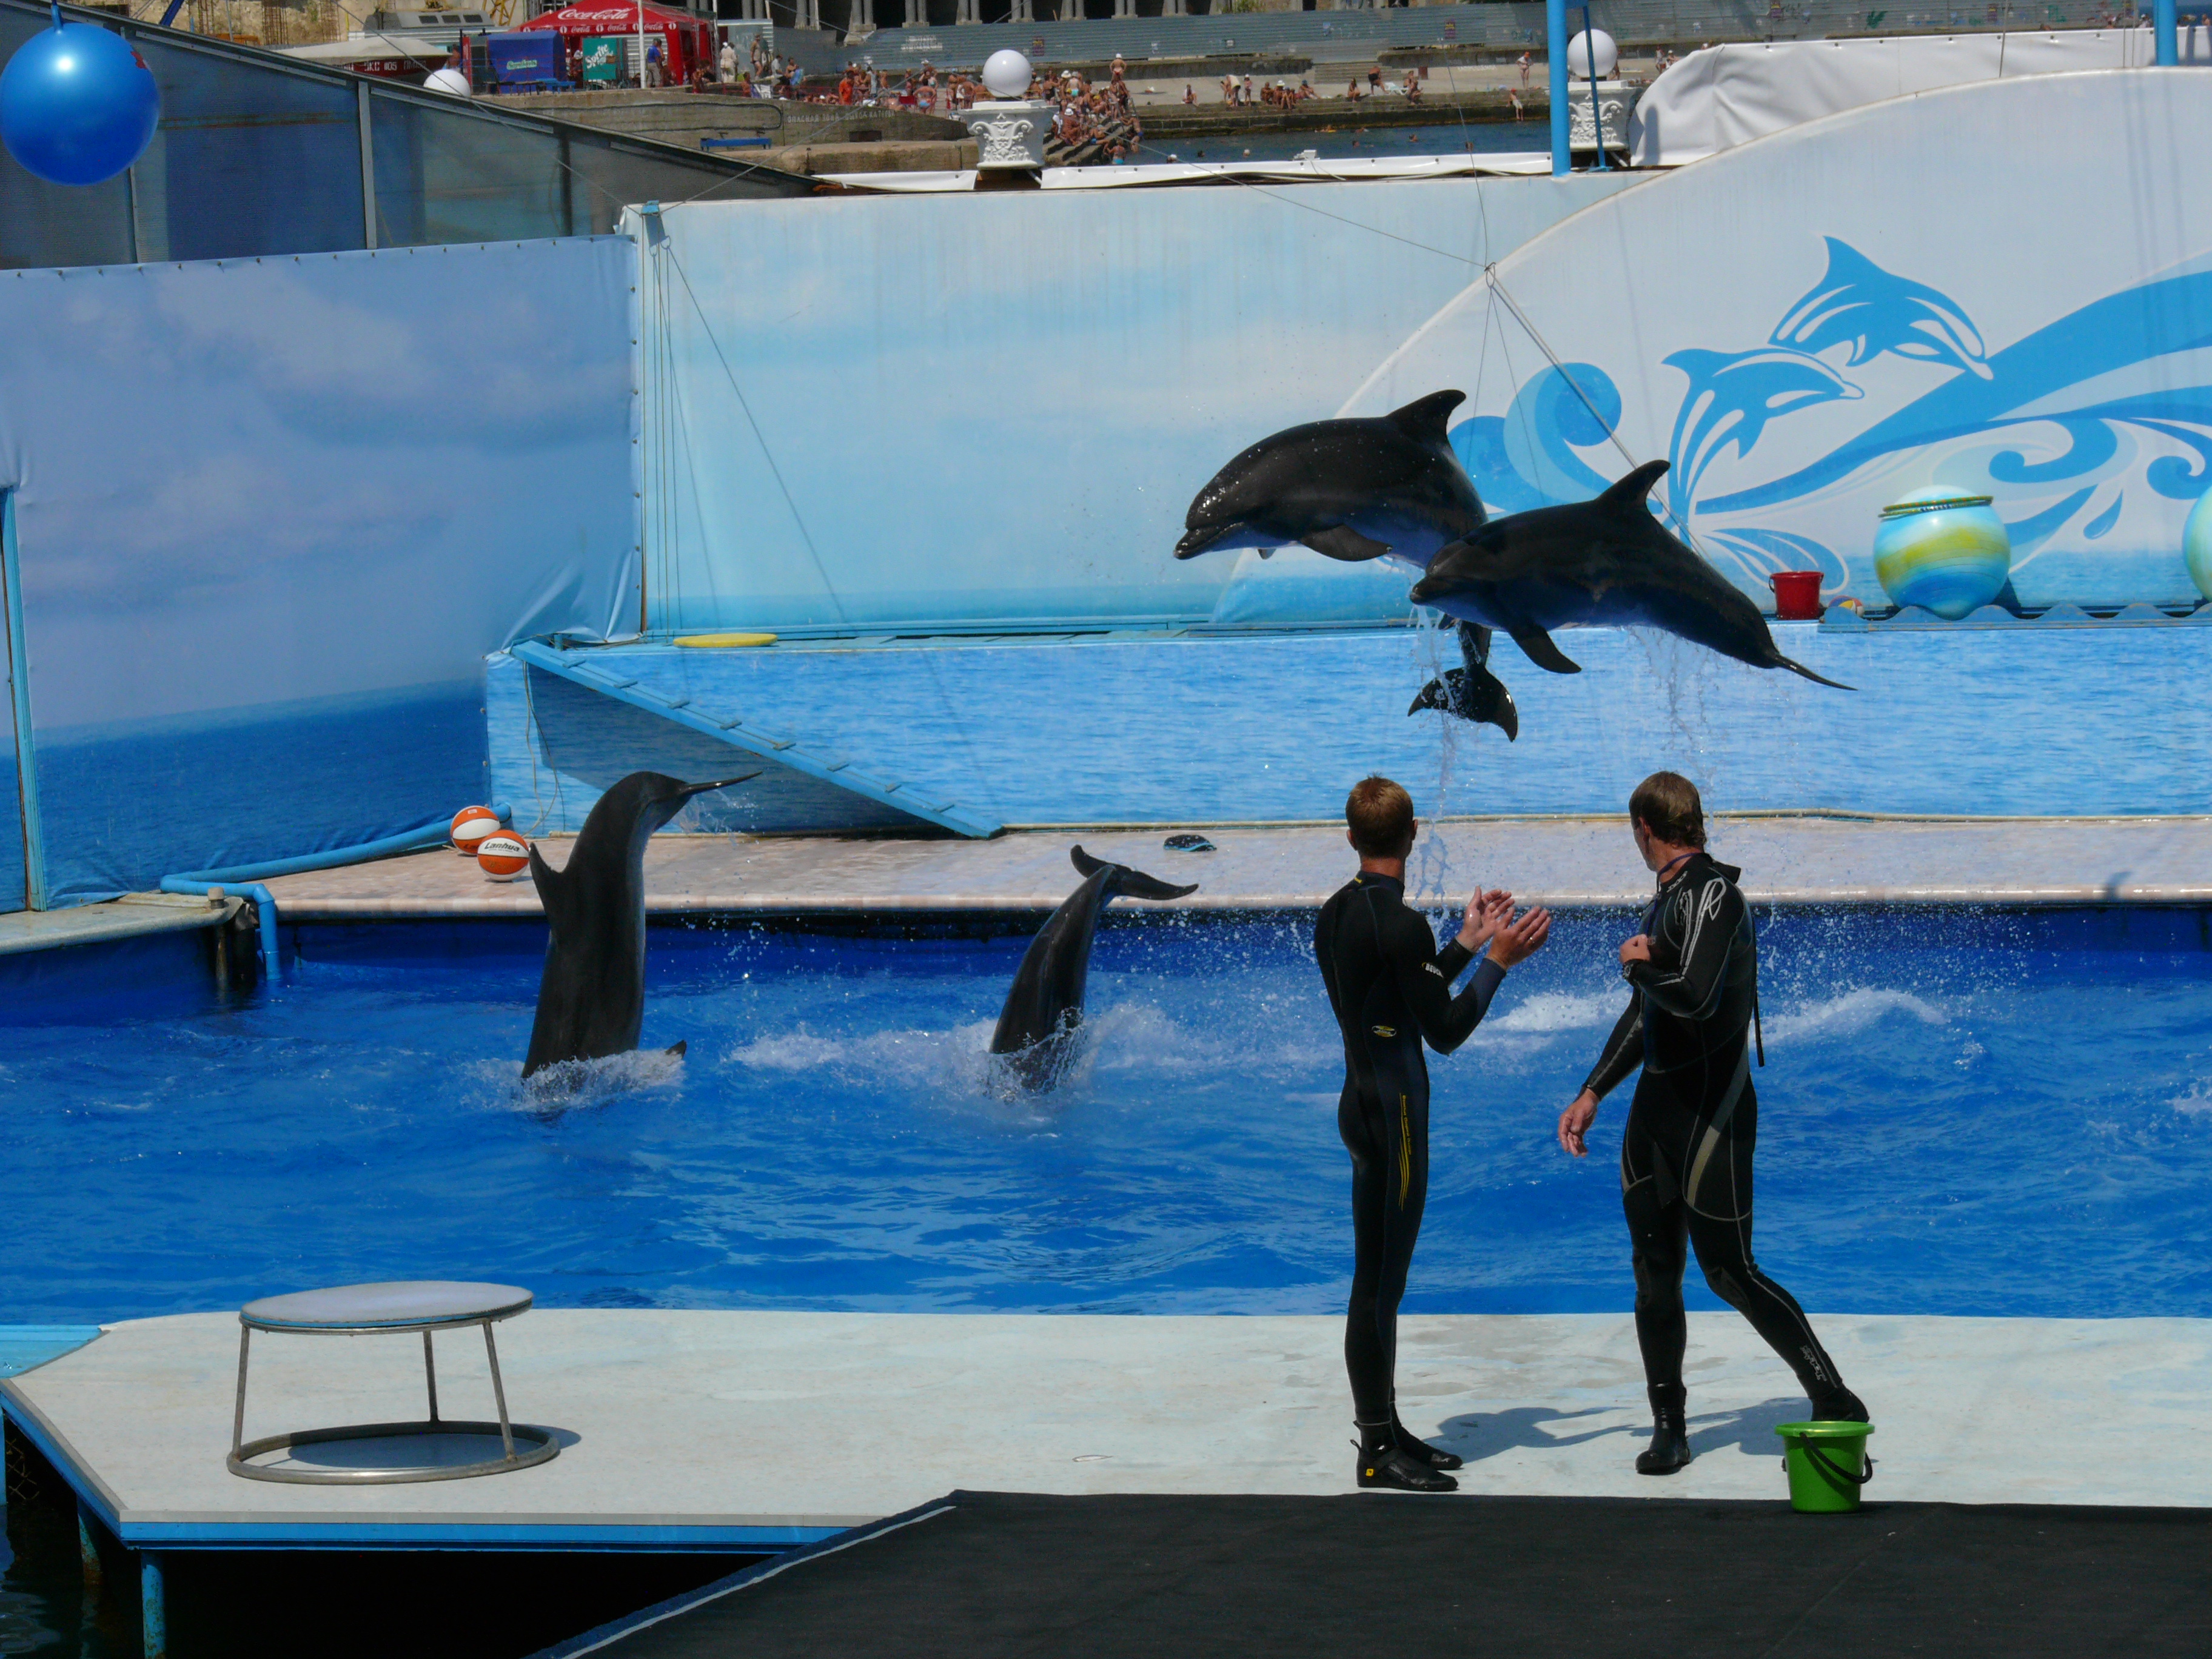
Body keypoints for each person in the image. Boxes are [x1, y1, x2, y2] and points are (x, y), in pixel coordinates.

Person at [1558, 772, 1868, 1477]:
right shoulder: (1668, 897)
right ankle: (1669, 1426)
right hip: (1655, 1113)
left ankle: (1833, 1395)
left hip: (1711, 1113)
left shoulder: (1715, 897)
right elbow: (1647, 1014)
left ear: (1645, 828)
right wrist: (1593, 1091)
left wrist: (1636, 967)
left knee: (1730, 1271)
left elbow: (1693, 997)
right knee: (1654, 1275)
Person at [1318, 777, 1551, 1494]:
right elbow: (1444, 1029)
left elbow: (1397, 996)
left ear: (1351, 838)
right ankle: (1375, 1450)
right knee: (1380, 1286)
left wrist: (1464, 943)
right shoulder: (1402, 923)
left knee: (1377, 1281)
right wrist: (1497, 962)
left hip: (1360, 1105)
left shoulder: (1336, 912)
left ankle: (1386, 1428)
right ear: (1413, 833)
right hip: (1397, 1118)